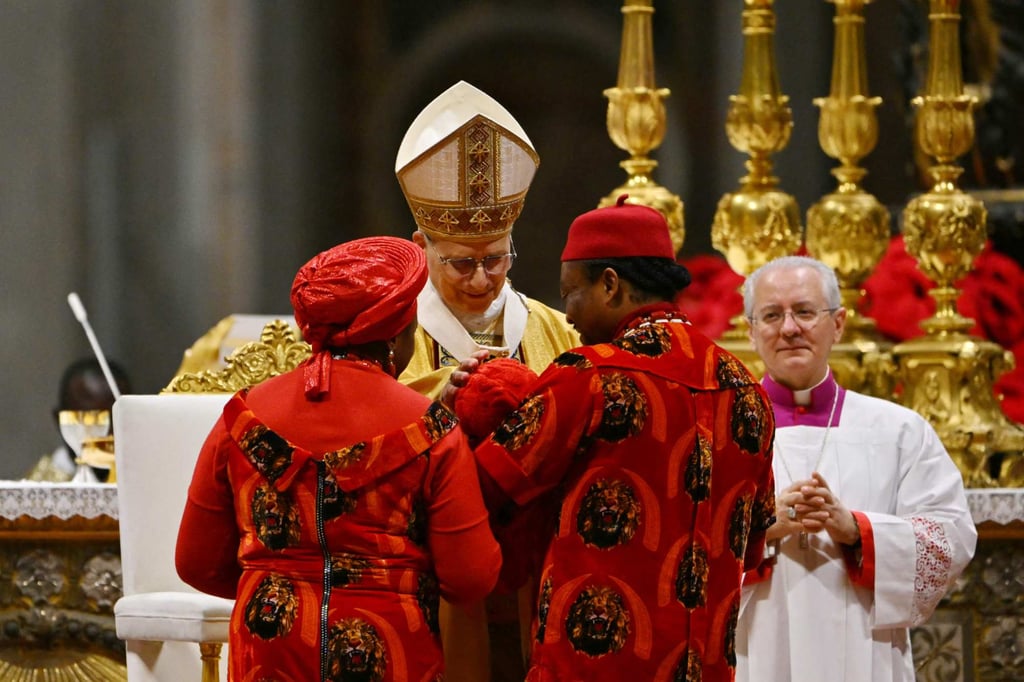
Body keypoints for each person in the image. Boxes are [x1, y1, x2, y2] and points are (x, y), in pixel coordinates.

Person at [458, 196, 777, 681]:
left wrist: (460, 409)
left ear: (609, 284)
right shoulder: (748, 392)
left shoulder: (587, 378)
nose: (567, 317)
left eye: (570, 295)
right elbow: (753, 546)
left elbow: (480, 489)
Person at [175, 237, 501, 680]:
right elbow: (471, 578)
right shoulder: (430, 429)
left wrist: (279, 583)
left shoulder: (242, 416)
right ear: (395, 335)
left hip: (270, 647)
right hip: (388, 647)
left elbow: (194, 562)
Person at [395, 80, 579, 681]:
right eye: (460, 262)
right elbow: (368, 420)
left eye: (496, 259)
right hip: (434, 555)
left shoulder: (555, 329)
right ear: (422, 247)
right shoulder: (394, 331)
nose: (481, 279)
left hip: (535, 552)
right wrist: (436, 398)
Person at [735, 255, 978, 682]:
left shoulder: (899, 430)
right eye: (772, 315)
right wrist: (761, 526)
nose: (790, 328)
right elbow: (679, 547)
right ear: (751, 332)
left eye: (805, 312)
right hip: (755, 649)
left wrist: (856, 530)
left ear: (839, 323)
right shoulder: (721, 429)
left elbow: (949, 540)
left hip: (865, 654)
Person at [28, 357, 131, 482]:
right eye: (91, 422)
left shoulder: (146, 478)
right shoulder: (38, 492)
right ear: (60, 420)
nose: (108, 435)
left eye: (116, 420)